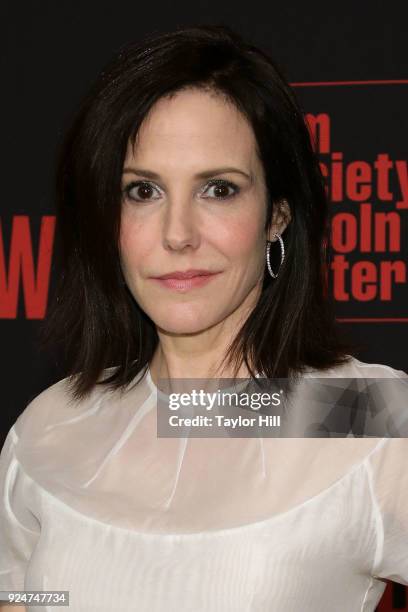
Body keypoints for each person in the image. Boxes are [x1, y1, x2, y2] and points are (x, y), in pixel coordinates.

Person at [0, 23, 407, 612]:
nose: (178, 234)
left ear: (277, 216)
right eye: (143, 192)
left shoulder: (361, 412)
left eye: (218, 189)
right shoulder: (53, 426)